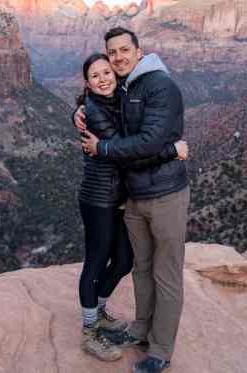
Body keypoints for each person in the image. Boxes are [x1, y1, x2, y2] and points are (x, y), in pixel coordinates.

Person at [77, 27, 188, 373]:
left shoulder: (159, 85)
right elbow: (98, 107)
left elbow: (147, 143)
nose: (119, 57)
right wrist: (79, 109)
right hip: (133, 197)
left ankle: (160, 350)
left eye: (125, 50)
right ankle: (140, 331)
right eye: (113, 53)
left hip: (165, 194)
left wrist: (104, 147)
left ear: (139, 52)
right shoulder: (126, 86)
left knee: (165, 273)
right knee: (140, 267)